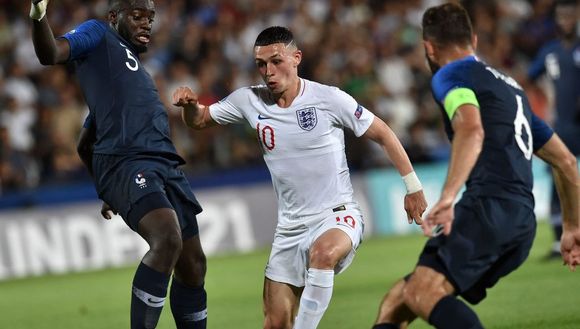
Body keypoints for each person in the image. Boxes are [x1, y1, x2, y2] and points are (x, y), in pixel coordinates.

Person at [172, 26, 428, 329]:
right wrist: (190, 107)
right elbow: (200, 120)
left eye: (276, 61)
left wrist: (413, 187)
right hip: (290, 228)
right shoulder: (248, 100)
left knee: (323, 254)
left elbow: (383, 133)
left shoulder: (328, 98)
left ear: (296, 58)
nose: (268, 71)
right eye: (261, 64)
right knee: (276, 323)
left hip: (337, 215)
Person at [372, 3, 580, 329]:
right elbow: (566, 161)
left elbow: (471, 128)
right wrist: (572, 227)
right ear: (474, 39)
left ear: (428, 47)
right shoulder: (510, 88)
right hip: (521, 222)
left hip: (489, 208)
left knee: (422, 292)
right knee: (399, 300)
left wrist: (447, 196)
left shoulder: (449, 75)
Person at [29, 1, 208, 328]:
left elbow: (84, 145)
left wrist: (105, 190)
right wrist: (39, 16)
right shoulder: (97, 34)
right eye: (137, 15)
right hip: (128, 163)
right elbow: (50, 53)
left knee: (193, 265)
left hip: (165, 166)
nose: (146, 23)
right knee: (167, 239)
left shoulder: (131, 71)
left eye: (150, 17)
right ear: (114, 17)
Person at [527, 0, 580, 259]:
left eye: (570, 15)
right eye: (562, 16)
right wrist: (547, 103)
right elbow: (530, 76)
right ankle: (559, 239)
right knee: (558, 176)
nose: (566, 20)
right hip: (564, 125)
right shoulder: (550, 52)